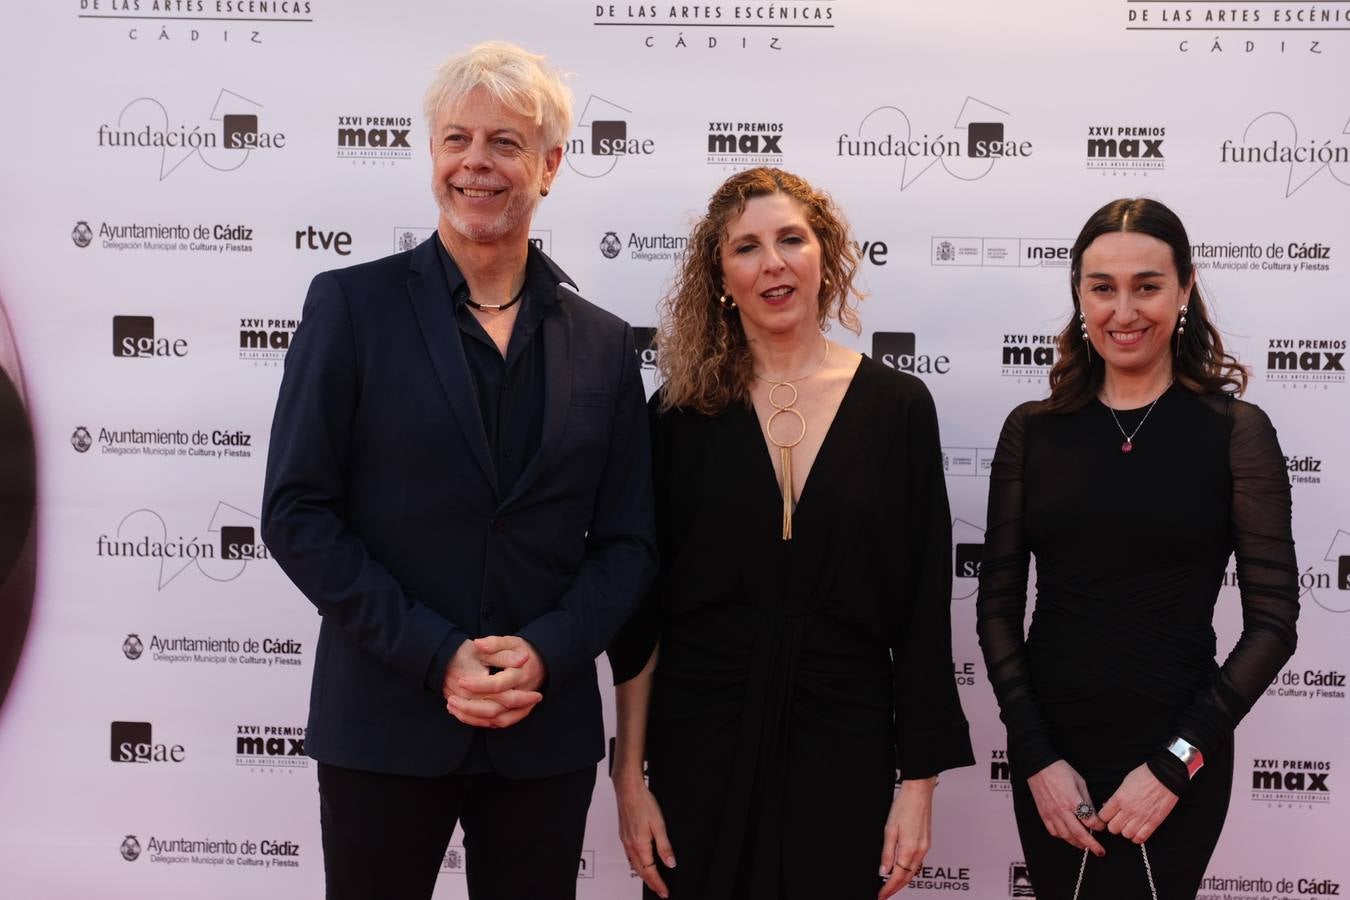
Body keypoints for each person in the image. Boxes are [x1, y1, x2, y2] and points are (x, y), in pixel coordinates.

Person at [261, 41, 656, 900]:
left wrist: (547, 654)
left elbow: (628, 544)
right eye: (456, 140)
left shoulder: (605, 341)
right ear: (433, 154)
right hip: (385, 720)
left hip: (540, 735)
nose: (476, 163)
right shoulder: (350, 307)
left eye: (505, 143)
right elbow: (296, 512)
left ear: (550, 164)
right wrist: (436, 654)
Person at [609, 167, 974, 900]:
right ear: (720, 277)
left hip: (845, 738)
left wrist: (918, 784)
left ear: (825, 256)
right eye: (746, 248)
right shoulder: (678, 418)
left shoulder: (899, 407)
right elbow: (639, 617)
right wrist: (629, 778)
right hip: (700, 736)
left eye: (791, 239)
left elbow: (922, 609)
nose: (772, 262)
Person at [976, 198, 1299, 900]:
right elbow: (997, 609)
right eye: (1102, 288)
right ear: (1079, 295)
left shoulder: (1235, 431)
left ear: (1184, 289)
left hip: (1177, 761)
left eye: (1147, 286)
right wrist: (1034, 755)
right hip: (1052, 760)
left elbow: (1274, 626)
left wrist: (1175, 766)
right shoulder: (1033, 431)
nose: (1124, 311)